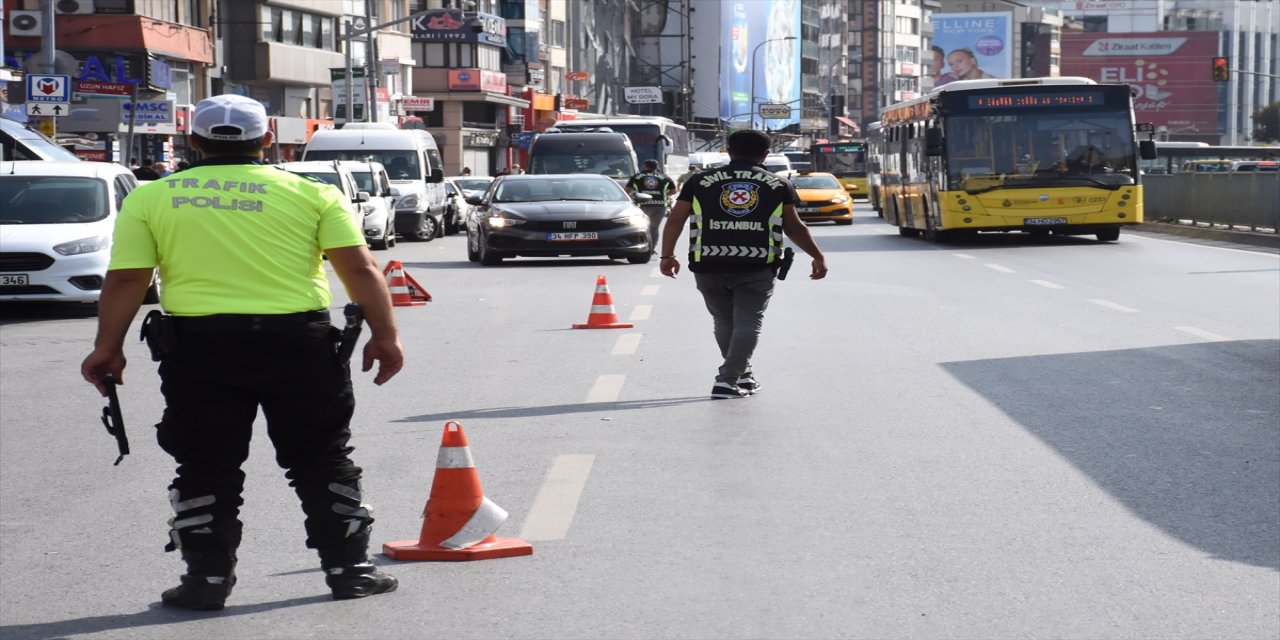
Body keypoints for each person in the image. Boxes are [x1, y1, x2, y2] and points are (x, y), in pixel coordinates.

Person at [80, 94, 403, 610]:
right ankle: (351, 573)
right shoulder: (312, 193)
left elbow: (126, 279)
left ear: (194, 141)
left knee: (206, 464)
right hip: (298, 345)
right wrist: (385, 335)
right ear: (267, 139)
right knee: (322, 459)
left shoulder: (152, 197)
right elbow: (361, 270)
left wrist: (107, 348)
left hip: (200, 349)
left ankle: (206, 582)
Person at [658, 129, 828, 400]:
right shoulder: (777, 184)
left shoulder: (699, 182)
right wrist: (817, 256)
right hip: (757, 264)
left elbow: (675, 219)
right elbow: (794, 227)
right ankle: (727, 380)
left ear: (728, 151)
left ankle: (742, 375)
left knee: (724, 321)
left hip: (708, 261)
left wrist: (667, 256)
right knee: (748, 322)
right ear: (765, 155)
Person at [625, 159, 677, 254]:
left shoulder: (637, 177)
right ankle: (652, 248)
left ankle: (640, 246)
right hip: (660, 206)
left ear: (645, 166)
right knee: (654, 228)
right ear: (656, 167)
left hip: (642, 205)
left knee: (640, 226)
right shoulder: (664, 177)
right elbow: (674, 191)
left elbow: (627, 190)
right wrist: (664, 194)